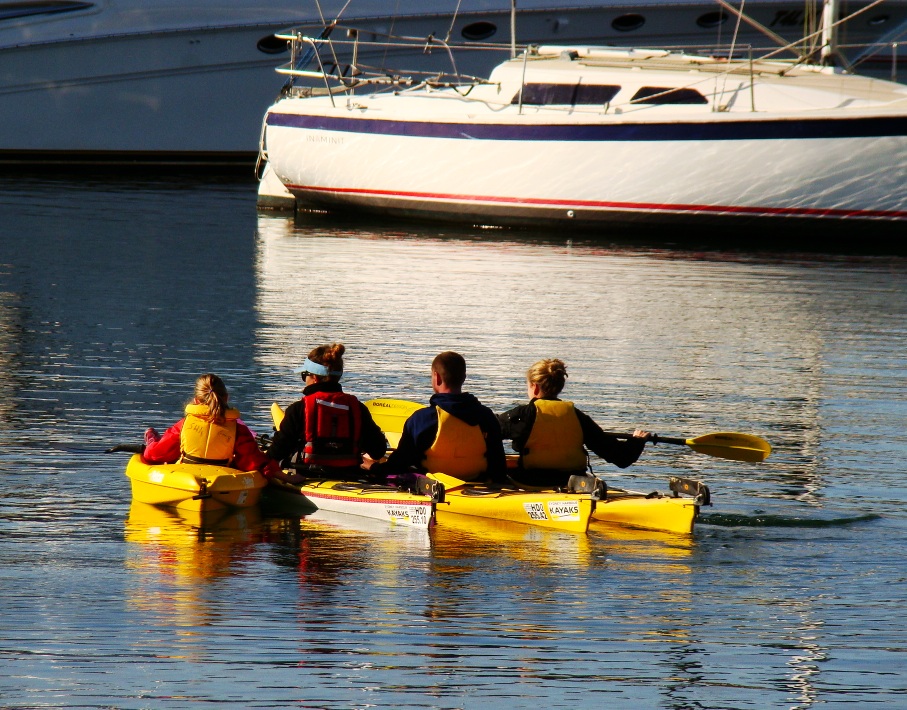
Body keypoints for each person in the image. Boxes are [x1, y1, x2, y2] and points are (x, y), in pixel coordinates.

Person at [497, 358, 649, 488]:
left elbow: (488, 427)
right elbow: (622, 458)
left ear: (534, 387)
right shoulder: (577, 417)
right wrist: (637, 441)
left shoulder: (522, 415)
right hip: (573, 483)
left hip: (531, 483)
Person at [366, 351, 506, 482]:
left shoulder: (422, 419)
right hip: (479, 486)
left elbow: (398, 465)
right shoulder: (486, 416)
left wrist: (372, 467)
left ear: (437, 377)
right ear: (463, 378)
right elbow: (498, 465)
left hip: (434, 489)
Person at [265, 343, 386, 482]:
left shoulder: (298, 409)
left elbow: (276, 453)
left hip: (307, 477)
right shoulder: (358, 408)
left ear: (314, 378)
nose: (304, 380)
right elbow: (379, 450)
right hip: (351, 476)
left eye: (304, 375)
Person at [143, 373, 278, 476]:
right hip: (221, 481)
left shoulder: (183, 425)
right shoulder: (239, 430)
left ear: (196, 400)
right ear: (226, 398)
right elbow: (252, 463)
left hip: (186, 478)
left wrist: (151, 441)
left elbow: (154, 454)